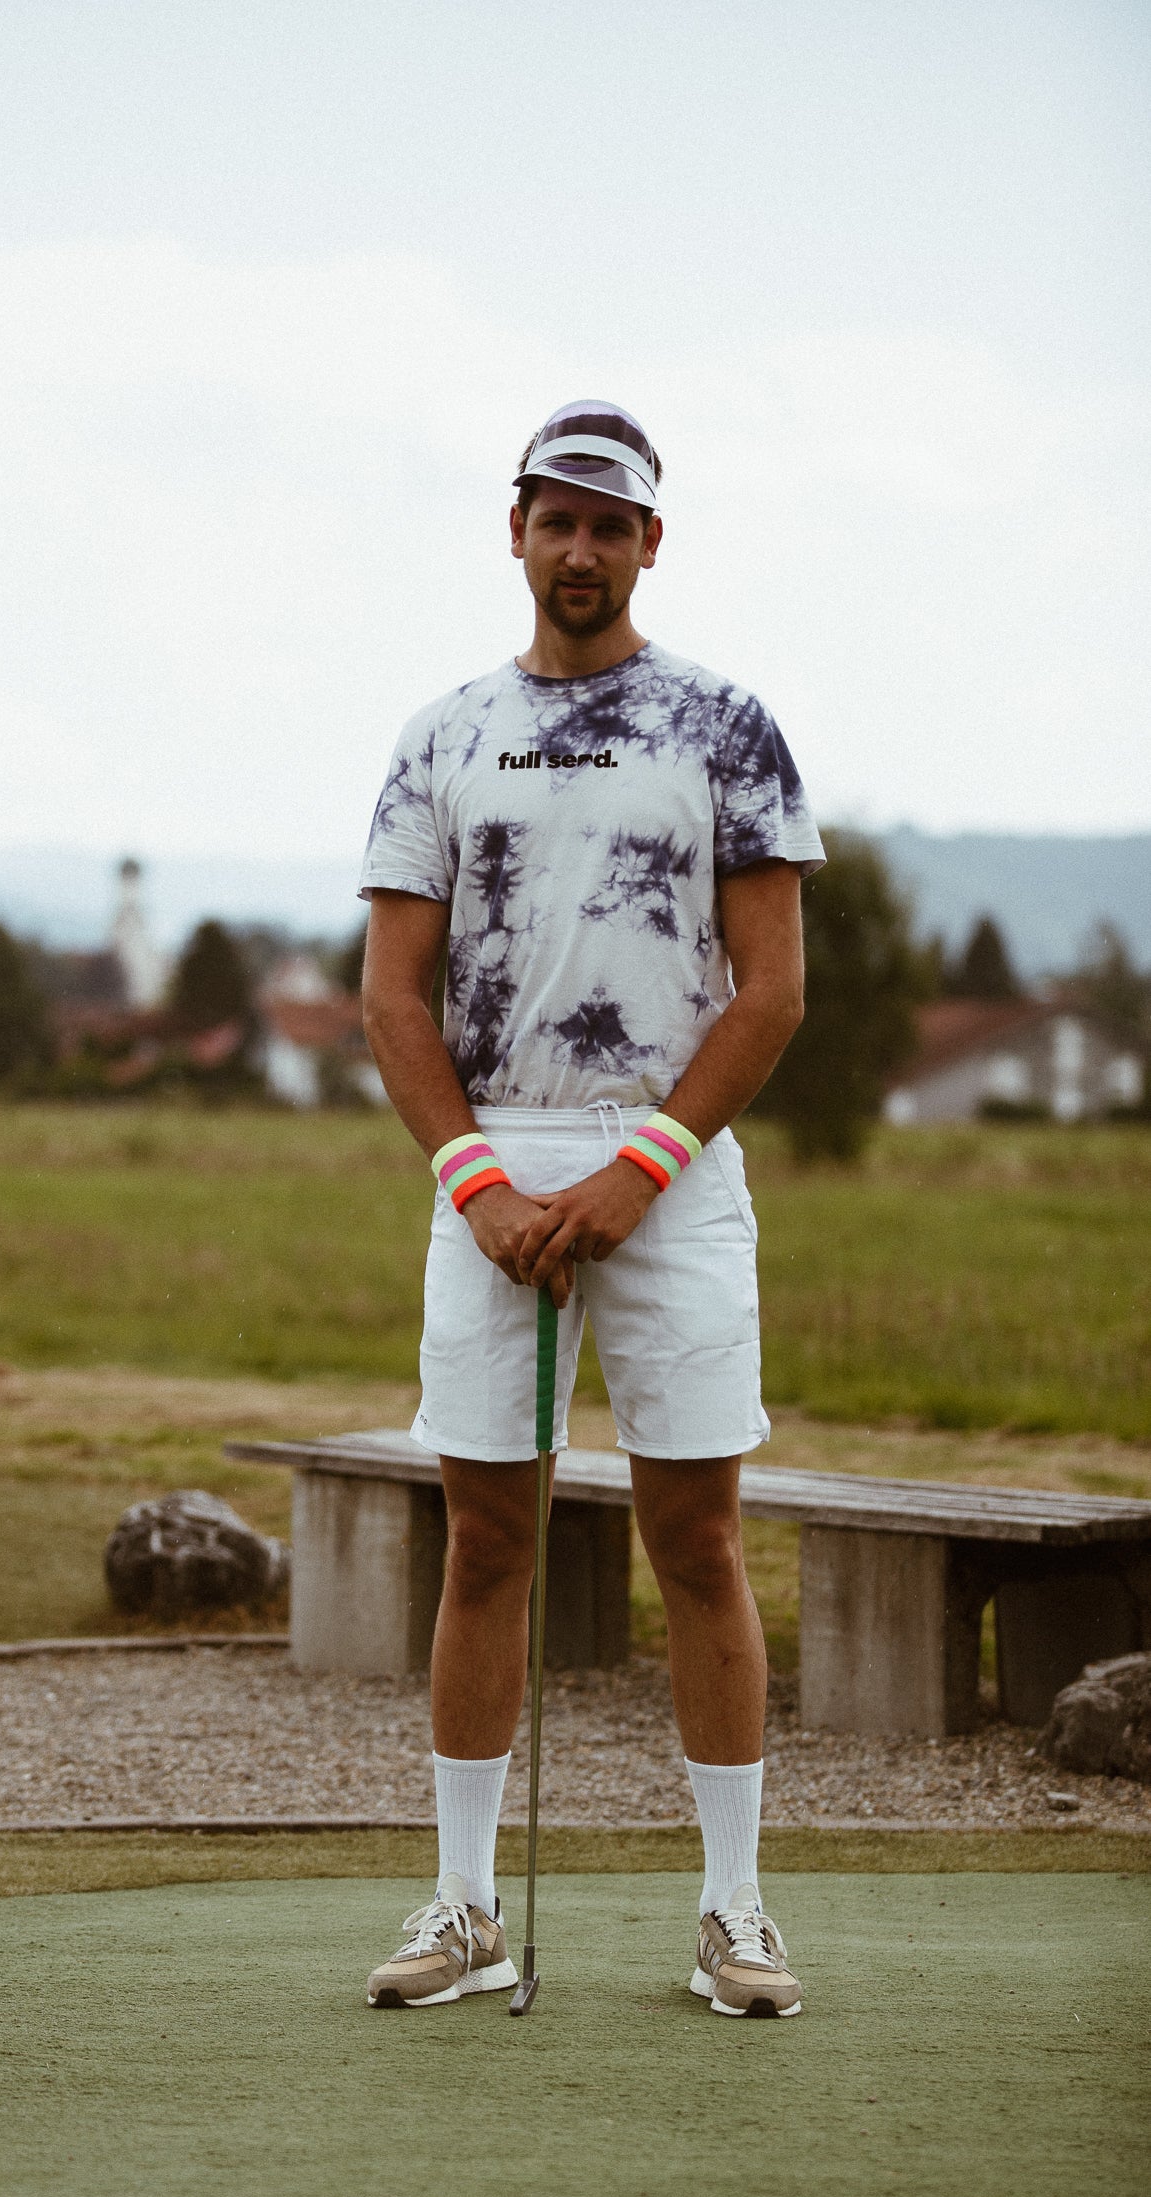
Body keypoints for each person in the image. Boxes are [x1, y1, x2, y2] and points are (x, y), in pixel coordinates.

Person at [358, 399, 822, 2018]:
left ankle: (735, 1915)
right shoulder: (441, 734)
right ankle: (465, 1907)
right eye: (554, 518)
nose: (579, 547)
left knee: (697, 1539)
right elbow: (394, 1001)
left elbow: (767, 995)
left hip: (668, 1172)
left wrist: (641, 1171)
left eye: (607, 523)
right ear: (516, 530)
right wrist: (479, 1181)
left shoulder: (728, 726)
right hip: (491, 1162)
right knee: (486, 1541)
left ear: (648, 542)